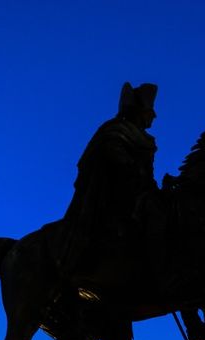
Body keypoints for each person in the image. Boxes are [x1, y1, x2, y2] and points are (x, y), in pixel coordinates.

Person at [55, 82, 160, 287]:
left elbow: (147, 173)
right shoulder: (115, 129)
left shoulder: (147, 140)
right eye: (150, 112)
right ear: (139, 112)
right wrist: (131, 170)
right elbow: (111, 156)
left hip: (138, 190)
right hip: (110, 189)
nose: (153, 117)